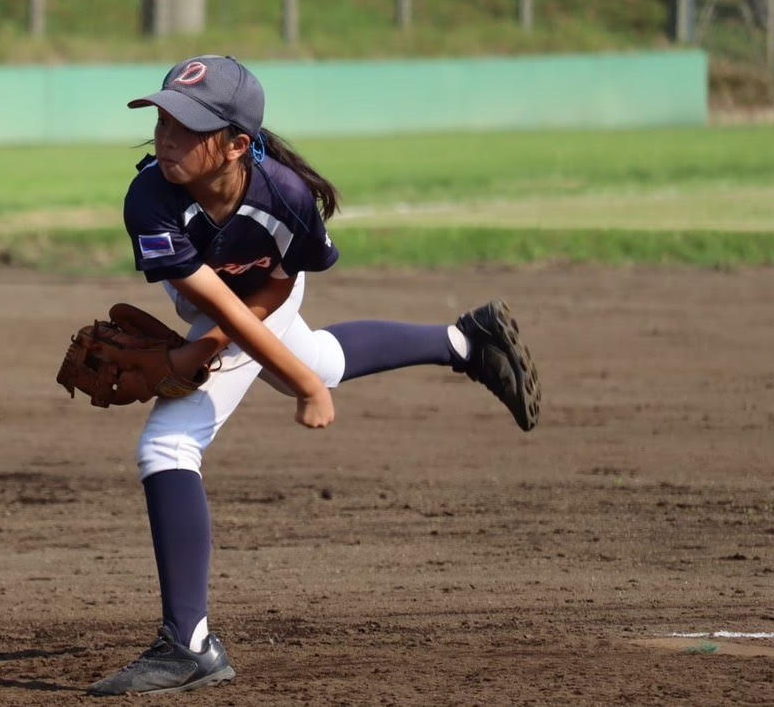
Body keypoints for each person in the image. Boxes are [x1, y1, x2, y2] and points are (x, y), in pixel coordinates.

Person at [85, 54, 541, 697]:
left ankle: (189, 645)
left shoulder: (286, 197)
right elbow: (213, 305)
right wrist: (234, 354)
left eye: (188, 127)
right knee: (320, 356)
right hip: (218, 304)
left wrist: (291, 382)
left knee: (167, 445)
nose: (167, 135)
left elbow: (277, 281)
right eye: (164, 117)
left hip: (267, 295)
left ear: (238, 145)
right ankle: (467, 341)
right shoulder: (151, 198)